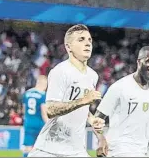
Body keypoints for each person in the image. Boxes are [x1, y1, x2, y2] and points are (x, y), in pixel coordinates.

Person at [28, 24, 105, 157]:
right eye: (81, 40)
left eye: (89, 40)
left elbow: (82, 108)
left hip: (76, 150)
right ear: (68, 47)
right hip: (50, 150)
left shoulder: (93, 76)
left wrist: (92, 120)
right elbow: (51, 109)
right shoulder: (60, 71)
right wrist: (83, 100)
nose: (87, 43)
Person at [94, 46, 149, 157]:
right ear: (138, 62)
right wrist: (101, 139)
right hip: (117, 151)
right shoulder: (119, 87)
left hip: (142, 152)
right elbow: (97, 119)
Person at [22, 75, 48, 157]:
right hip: (40, 123)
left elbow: (23, 110)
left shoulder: (27, 93)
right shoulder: (43, 95)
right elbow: (44, 113)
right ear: (43, 84)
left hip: (28, 123)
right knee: (43, 147)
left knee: (27, 148)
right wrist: (48, 124)